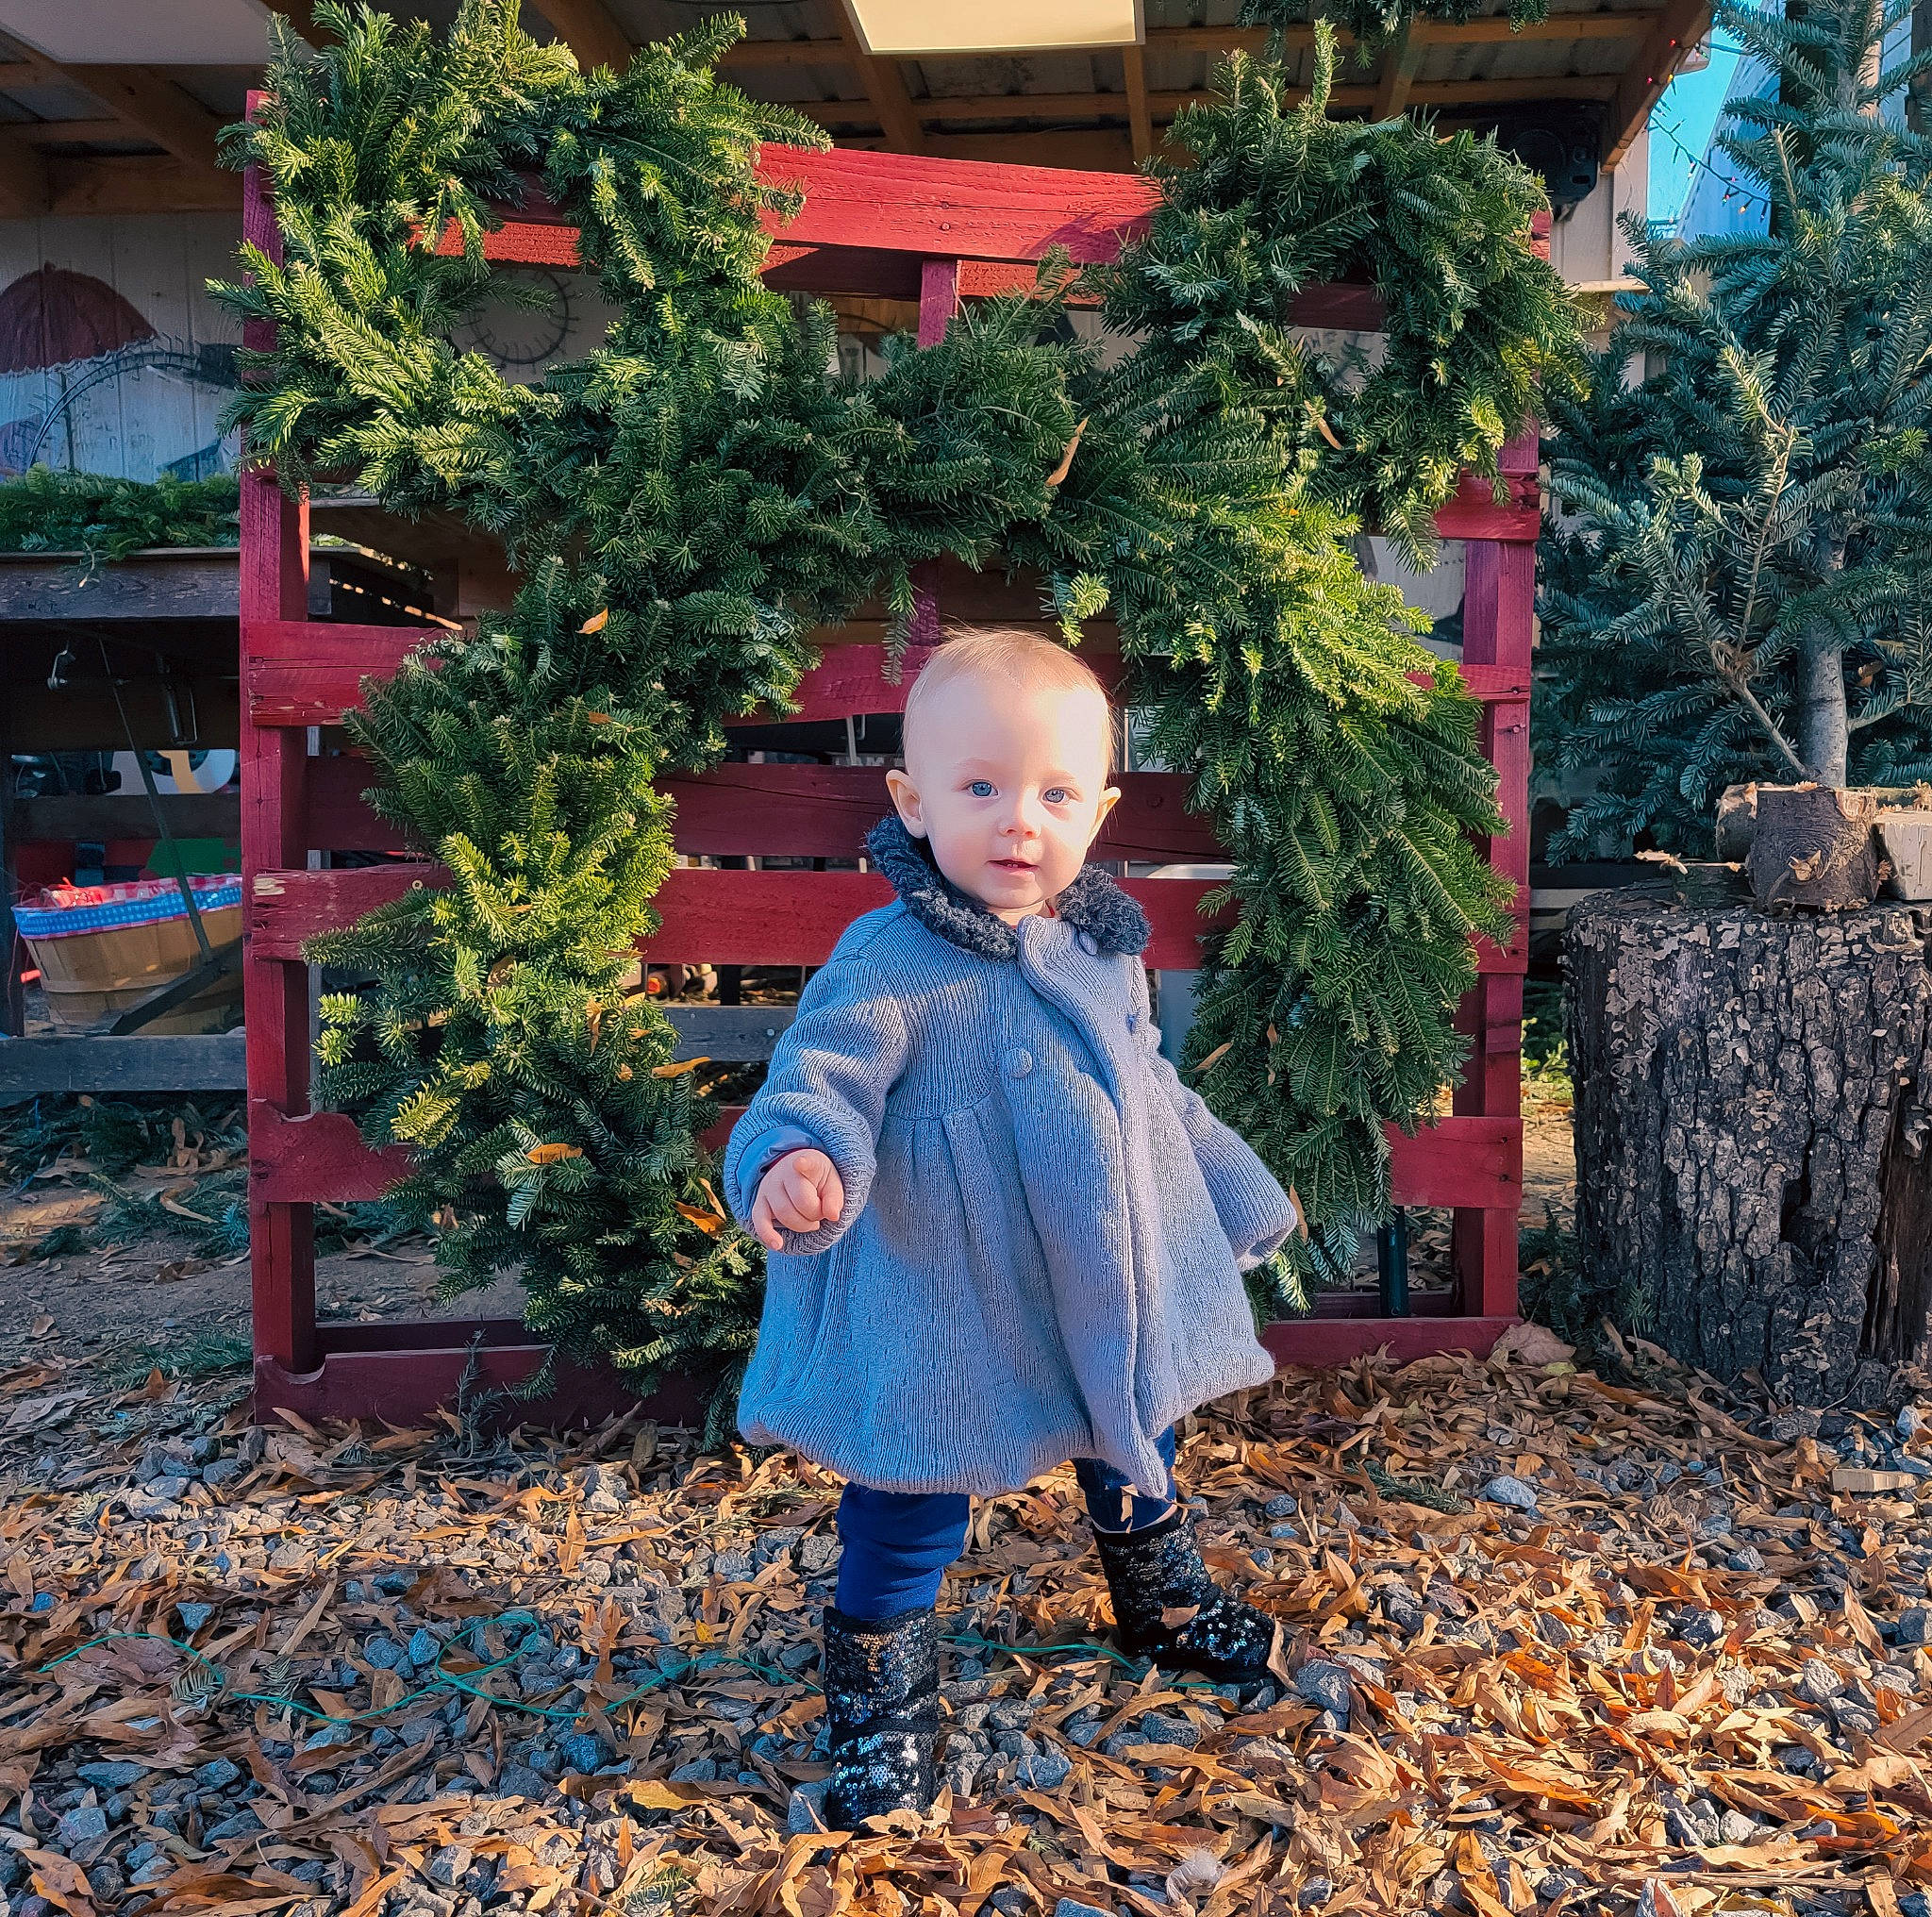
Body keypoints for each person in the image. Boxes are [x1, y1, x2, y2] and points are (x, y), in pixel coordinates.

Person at [723, 627, 1302, 1828]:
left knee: (1129, 1421)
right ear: (912, 801)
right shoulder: (887, 959)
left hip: (1101, 1273)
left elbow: (1153, 1088)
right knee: (911, 1484)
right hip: (950, 1291)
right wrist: (794, 1160)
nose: (1015, 822)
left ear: (1097, 809)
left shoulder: (1099, 949)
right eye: (979, 788)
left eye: (1049, 792)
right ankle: (880, 1686)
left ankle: (1159, 1596)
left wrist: (1235, 1185)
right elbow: (812, 1080)